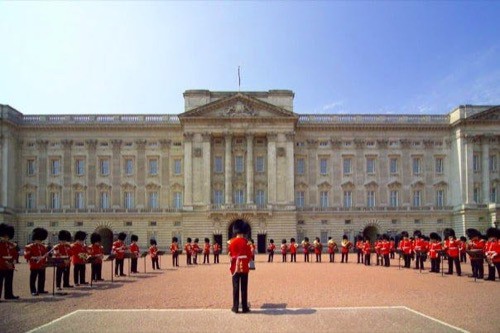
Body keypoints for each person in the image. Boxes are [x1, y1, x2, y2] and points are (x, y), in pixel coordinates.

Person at [228, 219, 253, 314]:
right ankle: (244, 307)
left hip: (235, 266)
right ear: (243, 232)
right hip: (244, 267)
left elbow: (229, 253)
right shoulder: (247, 242)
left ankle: (235, 307)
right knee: (244, 287)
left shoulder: (231, 242)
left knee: (235, 287)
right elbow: (249, 255)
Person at [24, 227, 49, 296]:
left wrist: (46, 255)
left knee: (42, 278)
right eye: (38, 239)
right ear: (35, 239)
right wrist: (36, 257)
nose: (39, 241)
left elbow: (44, 255)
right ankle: (33, 291)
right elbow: (27, 256)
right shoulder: (29, 247)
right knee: (33, 279)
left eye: (40, 240)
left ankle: (41, 289)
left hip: (42, 265)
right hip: (34, 264)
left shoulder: (43, 247)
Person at [0, 223, 19, 300]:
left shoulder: (11, 244)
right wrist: (5, 263)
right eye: (5, 236)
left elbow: (14, 253)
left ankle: (8, 295)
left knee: (9, 281)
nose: (6, 238)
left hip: (10, 265)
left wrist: (14, 261)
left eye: (7, 237)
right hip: (1, 265)